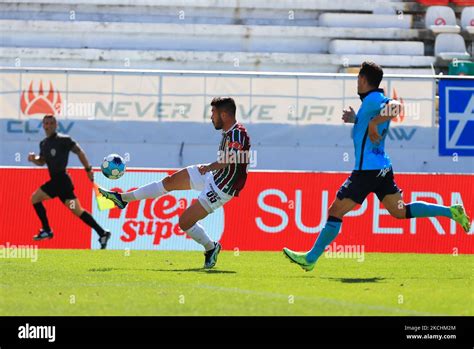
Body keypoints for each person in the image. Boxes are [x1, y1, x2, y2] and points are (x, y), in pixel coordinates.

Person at [283, 61, 471, 272]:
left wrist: (372, 123)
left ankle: (310, 259)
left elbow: (396, 106)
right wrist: (359, 120)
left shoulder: (373, 99)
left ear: (363, 79)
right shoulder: (370, 103)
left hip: (367, 170)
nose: (357, 82)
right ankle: (451, 212)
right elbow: (377, 117)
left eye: (358, 79)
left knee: (335, 210)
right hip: (381, 168)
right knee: (400, 211)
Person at [99, 97, 251, 268]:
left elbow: (229, 160)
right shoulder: (229, 132)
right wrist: (210, 169)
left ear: (224, 115)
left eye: (213, 113)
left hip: (222, 188)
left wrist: (209, 167)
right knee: (169, 182)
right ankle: (122, 198)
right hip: (214, 175)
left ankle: (211, 247)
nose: (211, 117)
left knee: (184, 222)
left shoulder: (238, 133)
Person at [29, 114, 111, 249]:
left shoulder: (64, 140)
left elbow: (79, 152)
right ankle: (102, 233)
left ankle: (47, 230)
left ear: (56, 125)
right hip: (62, 184)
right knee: (77, 210)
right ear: (43, 126)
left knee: (35, 198)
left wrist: (88, 169)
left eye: (51, 123)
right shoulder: (43, 143)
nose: (48, 126)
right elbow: (42, 161)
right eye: (46, 123)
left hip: (60, 180)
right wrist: (34, 159)